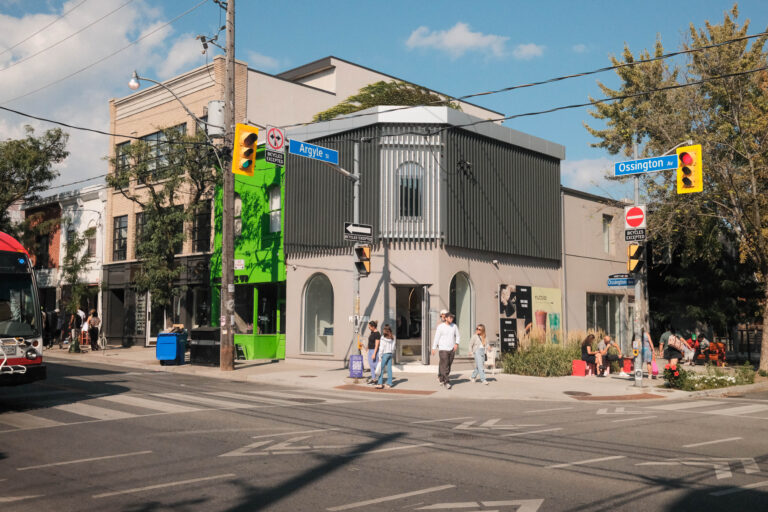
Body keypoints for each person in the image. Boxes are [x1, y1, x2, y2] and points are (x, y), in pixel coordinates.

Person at [432, 311, 460, 388]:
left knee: (448, 364)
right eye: (450, 317)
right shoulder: (440, 327)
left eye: (452, 318)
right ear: (446, 318)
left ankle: (441, 378)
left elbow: (457, 336)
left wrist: (456, 344)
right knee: (445, 365)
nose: (452, 319)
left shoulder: (454, 326)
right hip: (443, 349)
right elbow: (436, 337)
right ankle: (446, 382)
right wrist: (434, 348)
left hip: (451, 349)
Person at [375, 324, 396, 389]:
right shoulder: (393, 337)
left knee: (381, 369)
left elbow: (381, 348)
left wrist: (380, 356)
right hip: (390, 354)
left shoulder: (383, 338)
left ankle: (380, 383)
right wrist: (391, 353)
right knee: (389, 369)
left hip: (384, 354)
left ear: (385, 331)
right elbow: (393, 347)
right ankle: (389, 383)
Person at [366, 320, 381, 385]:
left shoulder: (377, 334)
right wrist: (367, 347)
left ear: (373, 327)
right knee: (371, 365)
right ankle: (373, 379)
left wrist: (374, 354)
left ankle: (378, 379)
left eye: (369, 327)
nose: (369, 328)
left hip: (374, 351)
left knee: (375, 365)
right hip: (370, 350)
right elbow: (370, 341)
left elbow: (377, 345)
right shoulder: (372, 332)